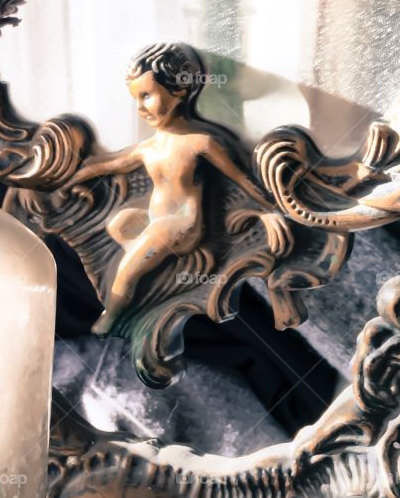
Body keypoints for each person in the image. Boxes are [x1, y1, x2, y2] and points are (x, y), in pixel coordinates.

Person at [69, 42, 290, 334]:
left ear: (179, 90)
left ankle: (111, 317)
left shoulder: (201, 143)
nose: (140, 108)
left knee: (124, 273)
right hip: (155, 221)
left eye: (147, 96)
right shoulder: (149, 147)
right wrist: (73, 178)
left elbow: (242, 179)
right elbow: (109, 166)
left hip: (181, 226)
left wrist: (269, 210)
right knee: (120, 224)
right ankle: (152, 266)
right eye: (135, 99)